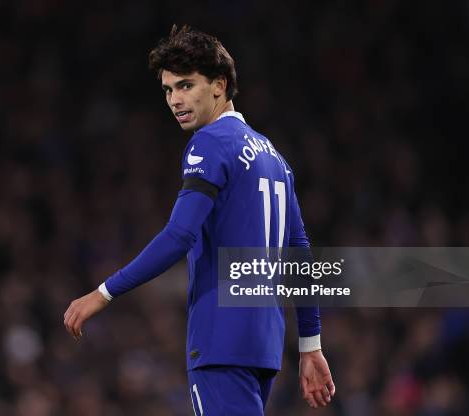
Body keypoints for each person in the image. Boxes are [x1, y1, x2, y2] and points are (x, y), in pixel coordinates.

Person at [64, 25, 335, 415]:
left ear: (219, 85)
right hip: (263, 346)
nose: (175, 100)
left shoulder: (209, 143)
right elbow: (301, 254)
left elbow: (178, 235)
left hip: (220, 341)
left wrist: (103, 292)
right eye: (168, 90)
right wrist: (310, 345)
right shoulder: (275, 158)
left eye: (186, 85)